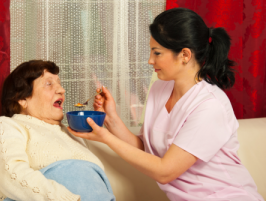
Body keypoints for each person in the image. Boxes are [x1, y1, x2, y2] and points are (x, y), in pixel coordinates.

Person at [68, 8, 264, 201]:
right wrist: (111, 119)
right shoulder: (159, 89)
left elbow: (165, 171)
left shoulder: (210, 106)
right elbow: (146, 148)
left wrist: (105, 138)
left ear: (185, 55)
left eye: (157, 53)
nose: (150, 60)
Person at [0, 60, 115, 201]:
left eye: (59, 83)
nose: (61, 90)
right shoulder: (7, 125)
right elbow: (9, 173)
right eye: (49, 84)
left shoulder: (71, 133)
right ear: (22, 98)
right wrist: (66, 198)